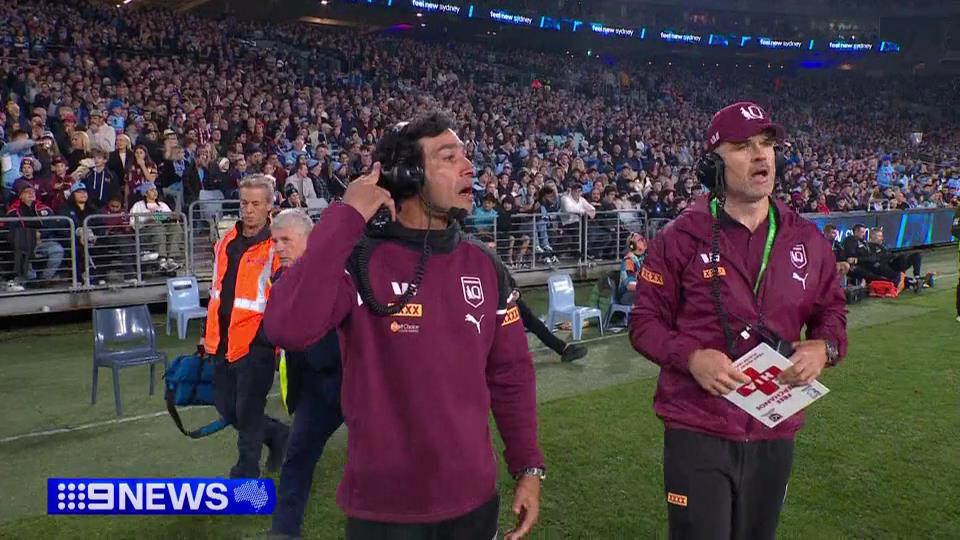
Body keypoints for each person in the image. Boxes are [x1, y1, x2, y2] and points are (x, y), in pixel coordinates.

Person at [263, 114, 544, 540]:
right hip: (384, 511)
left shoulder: (486, 265)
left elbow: (511, 376)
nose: (469, 166)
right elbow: (287, 326)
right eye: (449, 157)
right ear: (408, 175)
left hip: (473, 502)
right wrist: (348, 214)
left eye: (466, 154)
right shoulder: (358, 259)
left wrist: (528, 466)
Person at [629, 101, 848, 540]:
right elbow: (644, 323)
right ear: (714, 165)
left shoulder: (808, 238)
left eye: (767, 144)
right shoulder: (679, 239)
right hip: (699, 427)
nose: (761, 155)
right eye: (744, 146)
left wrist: (824, 347)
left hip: (775, 425)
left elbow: (832, 311)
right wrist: (690, 357)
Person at [265, 209, 345, 540]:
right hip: (314, 388)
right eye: (275, 241)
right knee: (297, 457)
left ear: (309, 240)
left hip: (352, 381)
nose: (279, 248)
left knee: (380, 457)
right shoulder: (280, 282)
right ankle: (283, 532)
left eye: (286, 240)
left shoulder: (338, 274)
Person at [204, 174, 289, 479]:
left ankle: (246, 473)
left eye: (255, 203)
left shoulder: (275, 247)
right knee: (228, 410)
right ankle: (278, 436)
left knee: (248, 413)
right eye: (244, 203)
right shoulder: (226, 241)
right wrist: (208, 337)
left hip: (256, 345)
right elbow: (217, 293)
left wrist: (267, 340)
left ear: (269, 206)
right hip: (223, 341)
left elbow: (282, 298)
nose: (248, 209)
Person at [5, 179, 65, 291]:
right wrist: (31, 235)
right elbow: (11, 232)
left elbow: (54, 225)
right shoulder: (13, 212)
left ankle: (45, 279)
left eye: (32, 191)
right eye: (27, 192)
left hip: (43, 241)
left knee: (57, 249)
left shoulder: (44, 208)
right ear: (20, 195)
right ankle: (30, 280)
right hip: (24, 242)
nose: (31, 193)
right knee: (22, 246)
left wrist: (41, 234)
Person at [618, 232, 646, 305]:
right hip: (627, 295)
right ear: (632, 246)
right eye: (640, 240)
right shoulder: (629, 260)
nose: (644, 241)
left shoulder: (643, 258)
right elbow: (630, 285)